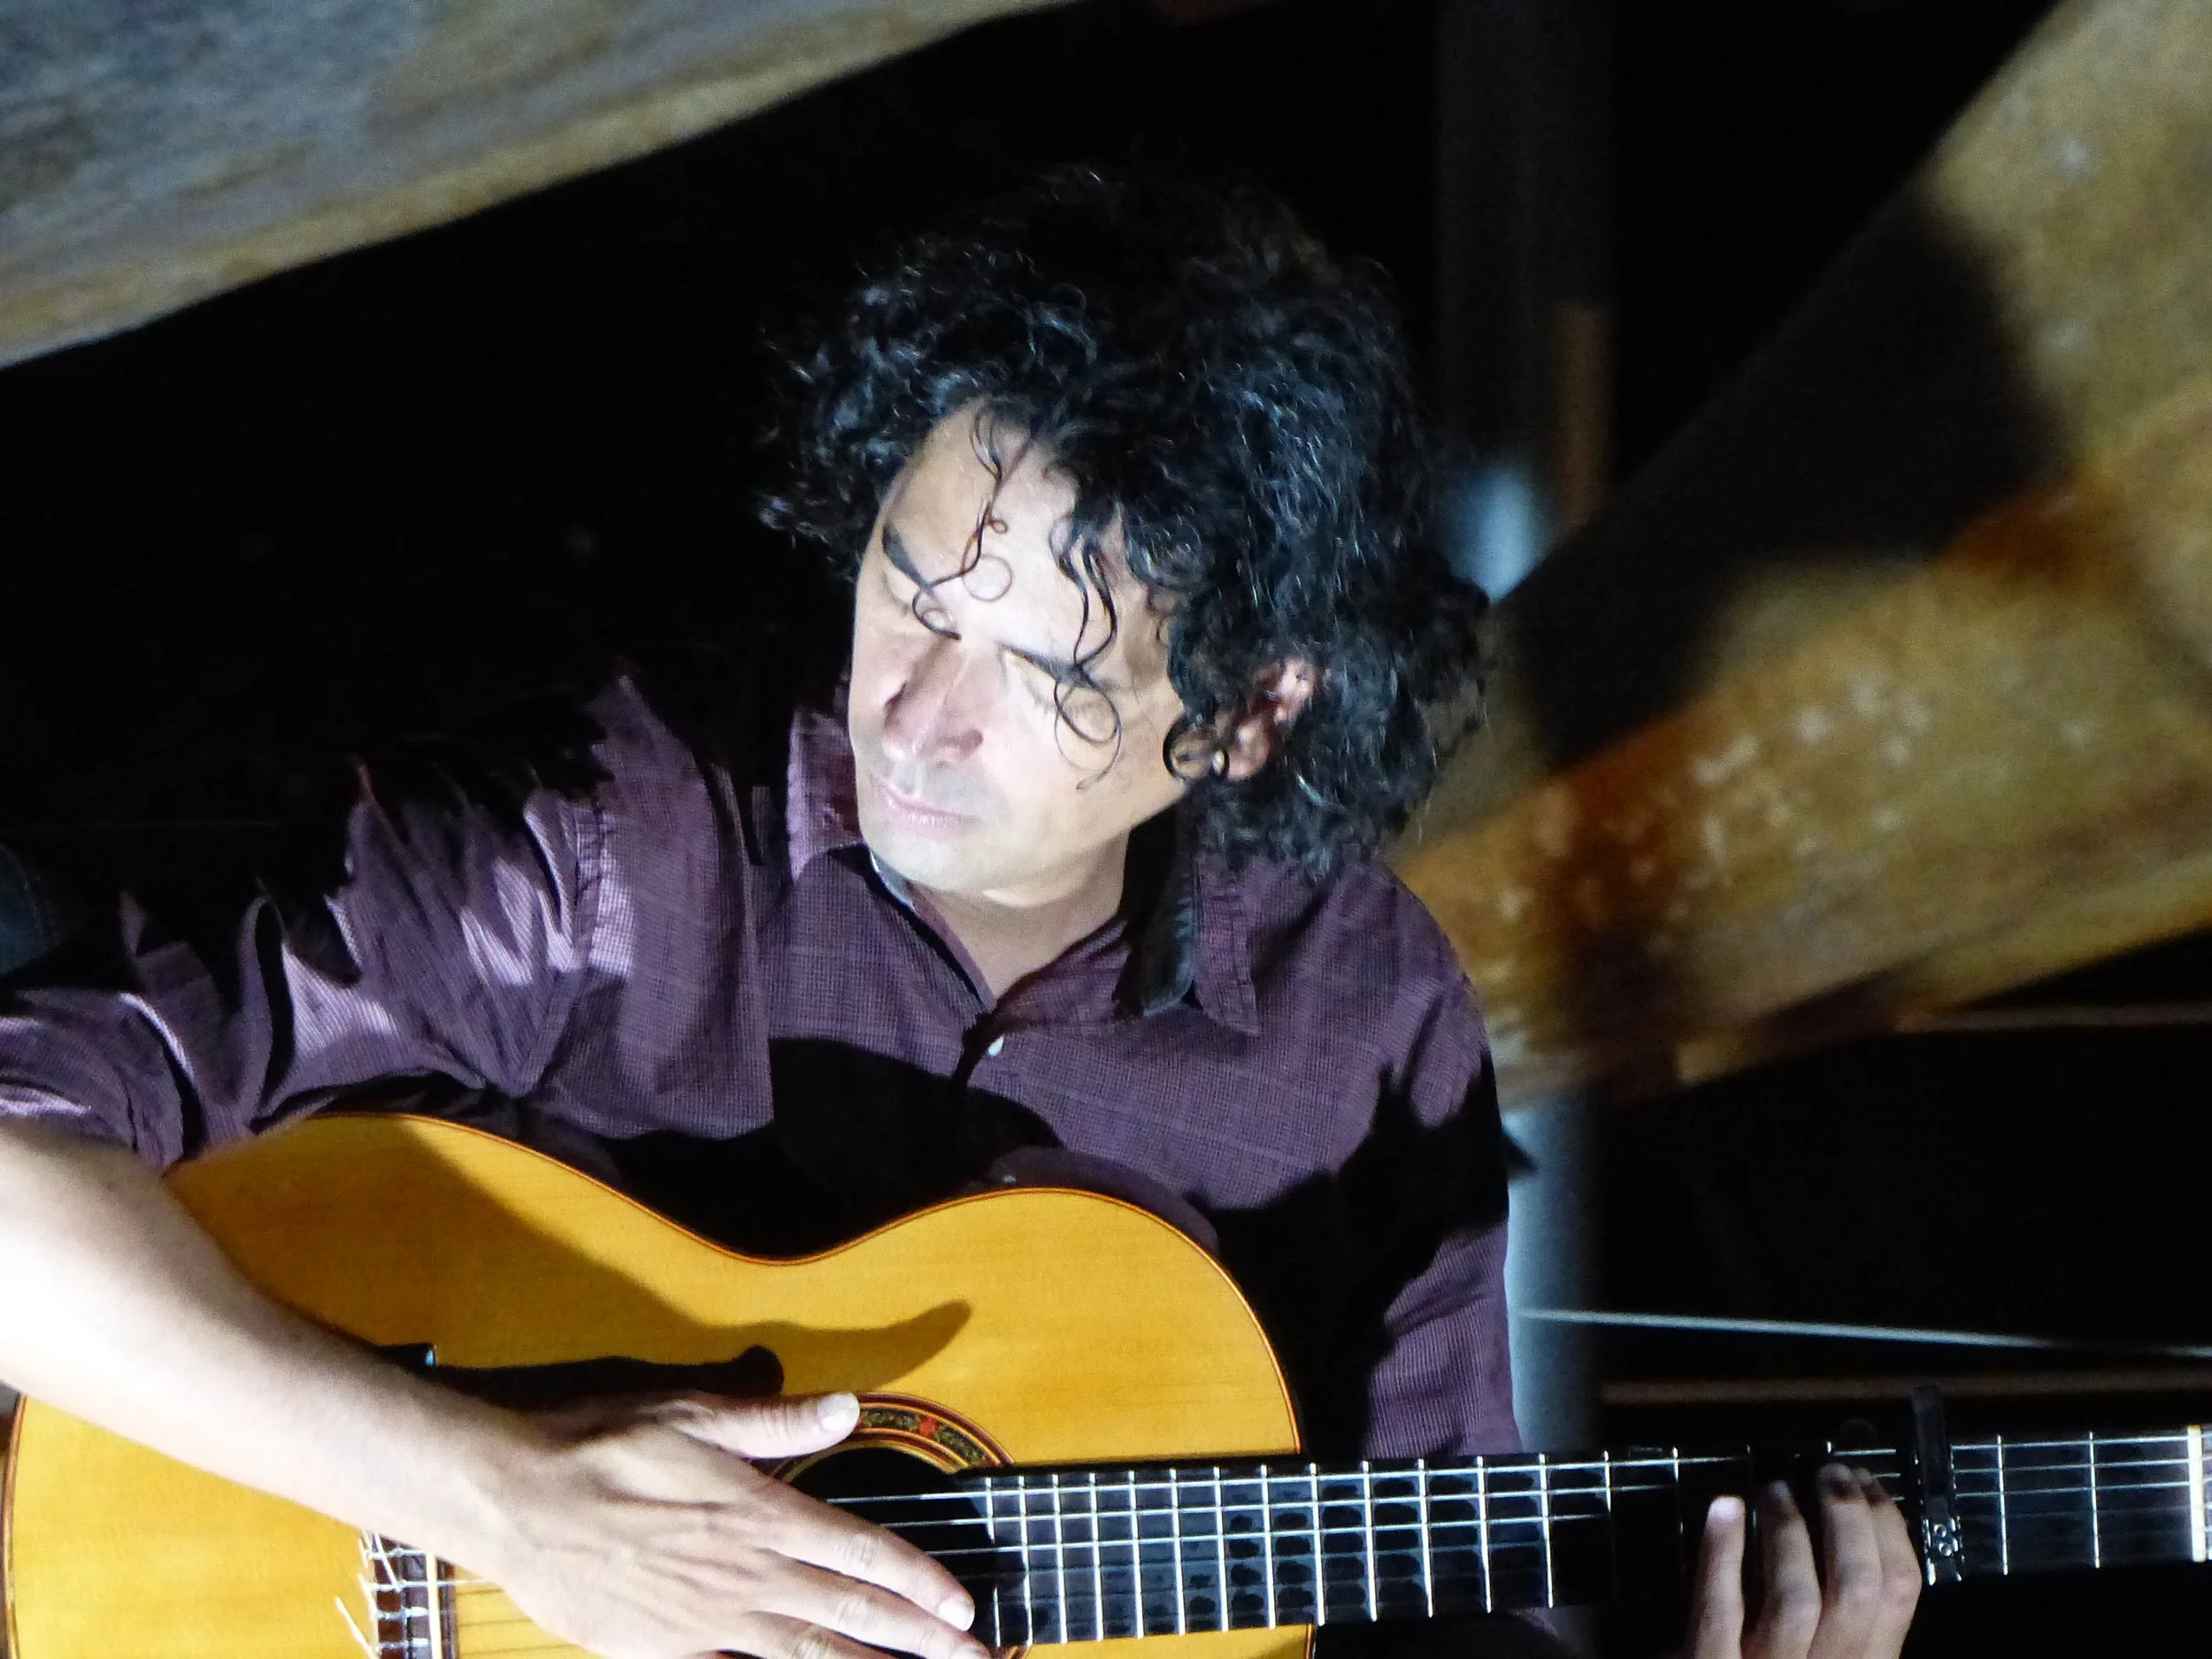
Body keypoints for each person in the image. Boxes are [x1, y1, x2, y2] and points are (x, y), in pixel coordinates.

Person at [0, 169, 1916, 1658]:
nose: (917, 714)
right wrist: (505, 1504)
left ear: (1249, 714)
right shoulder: (618, 848)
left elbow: (1439, 1596)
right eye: (910, 593)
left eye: (1048, 674)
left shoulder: (1356, 1020)